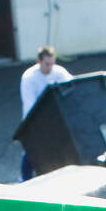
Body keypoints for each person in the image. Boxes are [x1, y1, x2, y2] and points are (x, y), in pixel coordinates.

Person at [18, 45, 73, 181]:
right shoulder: (29, 78)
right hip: (34, 120)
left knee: (56, 150)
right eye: (47, 64)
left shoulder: (59, 72)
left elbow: (72, 88)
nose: (50, 68)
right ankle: (25, 179)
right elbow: (29, 105)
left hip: (54, 119)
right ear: (39, 62)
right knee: (32, 150)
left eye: (52, 64)